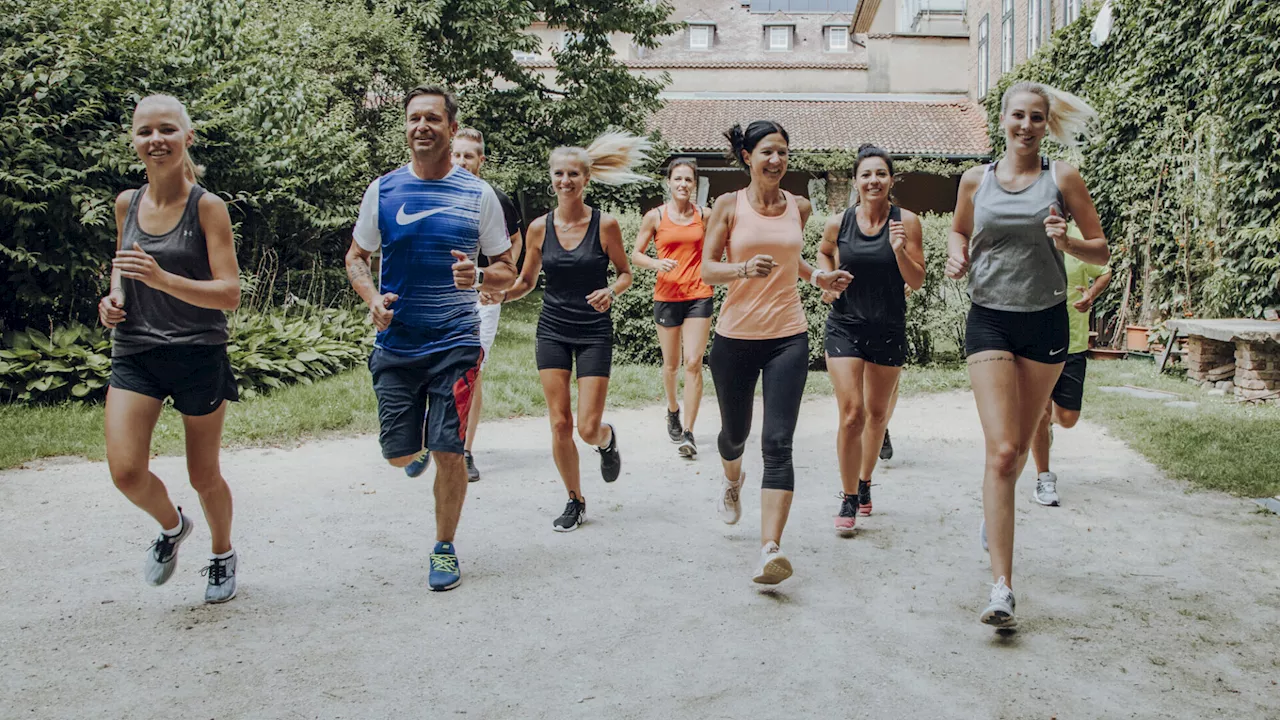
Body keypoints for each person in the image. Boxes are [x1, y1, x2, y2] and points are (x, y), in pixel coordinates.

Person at [947, 81, 1109, 629]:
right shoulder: (976, 179)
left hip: (1045, 319)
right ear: (1002, 119)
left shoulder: (1060, 178)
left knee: (1019, 445)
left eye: (1037, 118)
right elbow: (959, 231)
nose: (1026, 126)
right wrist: (956, 256)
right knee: (1003, 450)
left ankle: (998, 510)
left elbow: (1101, 248)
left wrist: (1067, 243)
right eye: (1018, 115)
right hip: (989, 317)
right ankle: (1002, 588)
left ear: (1046, 124)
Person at [344, 85, 517, 591]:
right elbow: (356, 256)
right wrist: (372, 298)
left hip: (455, 342)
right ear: (406, 126)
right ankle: (412, 449)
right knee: (398, 454)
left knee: (450, 450)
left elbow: (508, 269)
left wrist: (481, 278)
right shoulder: (383, 190)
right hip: (397, 344)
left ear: (450, 127)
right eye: (414, 118)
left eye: (433, 119)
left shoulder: (477, 194)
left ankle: (444, 547)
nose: (422, 126)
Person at [99, 94, 242, 603]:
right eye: (144, 132)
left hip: (197, 352)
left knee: (203, 474)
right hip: (135, 351)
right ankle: (172, 525)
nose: (155, 140)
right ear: (134, 140)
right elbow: (123, 262)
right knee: (125, 471)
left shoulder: (207, 207)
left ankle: (222, 553)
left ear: (187, 137)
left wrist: (162, 279)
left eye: (166, 129)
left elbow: (230, 294)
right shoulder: (126, 203)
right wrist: (113, 300)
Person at [701, 120, 852, 584]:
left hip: (788, 335)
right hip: (734, 337)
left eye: (783, 152)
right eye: (767, 151)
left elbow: (792, 260)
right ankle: (731, 479)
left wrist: (817, 278)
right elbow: (708, 269)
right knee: (735, 434)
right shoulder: (727, 206)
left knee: (778, 442)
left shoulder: (799, 206)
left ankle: (770, 548)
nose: (776, 160)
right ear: (747, 156)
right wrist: (742, 268)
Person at [493, 132, 646, 532]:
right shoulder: (540, 228)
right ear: (552, 178)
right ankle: (575, 499)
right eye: (559, 174)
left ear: (586, 179)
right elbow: (526, 282)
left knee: (586, 427)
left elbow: (626, 273)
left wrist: (611, 290)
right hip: (553, 330)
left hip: (594, 330)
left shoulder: (606, 225)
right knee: (559, 423)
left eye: (573, 174)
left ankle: (607, 440)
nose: (566, 180)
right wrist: (500, 297)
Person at [402, 128, 524, 482]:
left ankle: (465, 450)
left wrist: (496, 280)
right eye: (456, 155)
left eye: (469, 156)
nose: (461, 162)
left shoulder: (494, 198)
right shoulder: (430, 192)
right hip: (435, 294)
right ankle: (426, 441)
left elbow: (514, 241)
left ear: (481, 160)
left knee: (472, 370)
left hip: (481, 295)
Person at [817, 144, 924, 535]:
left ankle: (864, 482)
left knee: (878, 416)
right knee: (852, 414)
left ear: (891, 179)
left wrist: (899, 252)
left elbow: (916, 280)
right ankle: (847, 496)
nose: (873, 180)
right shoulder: (839, 222)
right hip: (845, 325)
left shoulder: (907, 222)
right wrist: (828, 280)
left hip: (888, 329)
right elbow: (824, 252)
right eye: (866, 174)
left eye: (880, 174)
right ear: (857, 181)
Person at [630, 158, 714, 458]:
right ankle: (672, 409)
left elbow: (721, 247)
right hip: (666, 296)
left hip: (699, 295)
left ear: (695, 184)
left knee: (693, 362)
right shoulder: (655, 216)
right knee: (672, 365)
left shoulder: (705, 215)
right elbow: (636, 255)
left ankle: (689, 432)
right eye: (678, 179)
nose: (683, 184)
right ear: (669, 182)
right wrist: (655, 263)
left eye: (688, 180)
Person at [1029, 224, 1112, 506]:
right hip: (1034, 341)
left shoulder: (1078, 236)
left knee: (1067, 418)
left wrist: (1091, 294)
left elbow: (1104, 272)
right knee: (1038, 413)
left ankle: (1050, 421)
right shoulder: (1026, 230)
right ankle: (1043, 477)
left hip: (1073, 342)